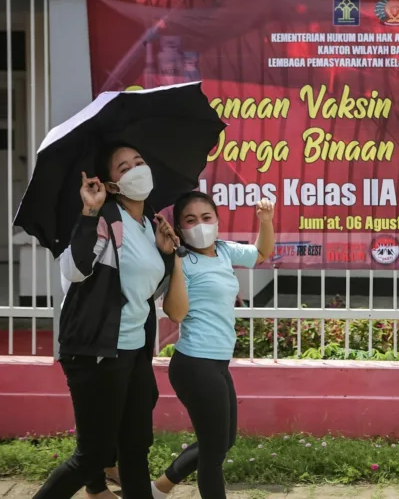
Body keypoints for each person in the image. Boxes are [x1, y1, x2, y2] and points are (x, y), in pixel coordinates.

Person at [34, 145, 179, 499]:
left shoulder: (150, 224)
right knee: (94, 455)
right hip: (96, 351)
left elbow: (149, 292)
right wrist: (89, 210)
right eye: (123, 167)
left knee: (135, 446)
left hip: (133, 350)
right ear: (113, 184)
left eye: (139, 162)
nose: (135, 169)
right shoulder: (105, 218)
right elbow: (75, 269)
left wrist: (165, 252)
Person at [149, 191, 274, 499]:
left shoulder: (224, 251)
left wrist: (266, 221)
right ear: (179, 227)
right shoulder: (182, 262)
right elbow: (176, 313)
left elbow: (260, 253)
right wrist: (176, 260)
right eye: (190, 220)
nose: (200, 225)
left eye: (206, 218)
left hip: (216, 363)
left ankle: (158, 489)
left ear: (217, 221)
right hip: (195, 364)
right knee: (214, 452)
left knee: (221, 441)